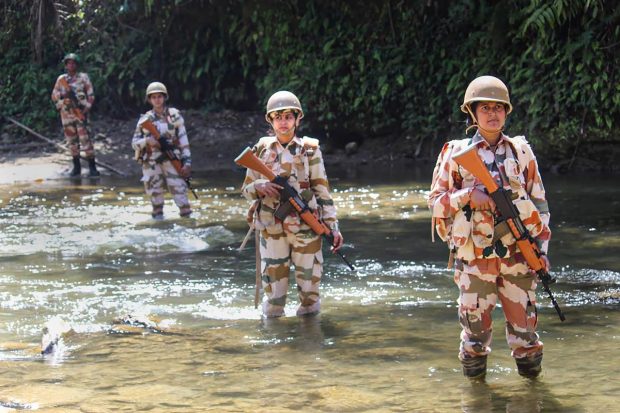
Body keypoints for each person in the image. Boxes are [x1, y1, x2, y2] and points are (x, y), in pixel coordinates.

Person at [428, 76, 551, 379]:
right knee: (474, 338)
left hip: (519, 257)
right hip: (474, 259)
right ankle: (476, 399)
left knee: (526, 336)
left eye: (499, 108)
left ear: (507, 112)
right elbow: (436, 202)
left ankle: (533, 396)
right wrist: (470, 195)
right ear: (472, 112)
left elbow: (541, 206)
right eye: (485, 108)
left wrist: (542, 252)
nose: (493, 114)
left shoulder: (521, 152)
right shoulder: (456, 154)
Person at [241, 91, 344, 318]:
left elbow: (322, 191)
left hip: (306, 229)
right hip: (272, 230)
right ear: (271, 120)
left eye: (288, 116)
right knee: (275, 300)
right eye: (278, 117)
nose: (283, 122)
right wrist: (258, 186)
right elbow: (245, 190)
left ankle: (310, 343)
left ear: (297, 119)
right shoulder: (260, 151)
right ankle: (274, 347)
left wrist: (333, 228)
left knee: (309, 297)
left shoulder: (310, 150)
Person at [131, 82, 192, 219]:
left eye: (159, 96)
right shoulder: (144, 120)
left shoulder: (175, 116)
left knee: (181, 194)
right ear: (149, 99)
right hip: (151, 162)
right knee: (155, 197)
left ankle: (187, 224)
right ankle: (159, 226)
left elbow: (184, 141)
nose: (157, 100)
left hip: (172, 159)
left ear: (164, 97)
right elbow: (134, 143)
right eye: (153, 97)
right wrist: (147, 141)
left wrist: (187, 163)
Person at [51, 52, 99, 176]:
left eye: (73, 63)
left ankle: (92, 168)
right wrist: (63, 97)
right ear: (65, 65)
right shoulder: (61, 79)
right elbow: (54, 95)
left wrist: (86, 109)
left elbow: (91, 95)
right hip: (66, 114)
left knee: (85, 139)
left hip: (80, 112)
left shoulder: (83, 77)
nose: (71, 65)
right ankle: (76, 168)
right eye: (68, 63)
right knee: (71, 141)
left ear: (77, 65)